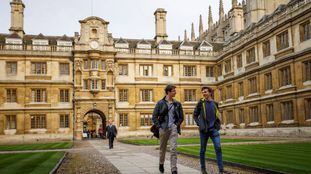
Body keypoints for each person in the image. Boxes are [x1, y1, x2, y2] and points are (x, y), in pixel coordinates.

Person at [152, 84, 184, 174]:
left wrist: (176, 124)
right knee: (162, 149)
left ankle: (174, 169)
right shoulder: (160, 103)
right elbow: (154, 117)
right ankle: (161, 163)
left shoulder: (177, 103)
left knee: (173, 149)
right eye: (174, 90)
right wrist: (159, 126)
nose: (175, 92)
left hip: (173, 129)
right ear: (168, 92)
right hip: (163, 128)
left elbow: (181, 117)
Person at [194, 87, 224, 174]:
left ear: (210, 92)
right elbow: (195, 115)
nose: (204, 93)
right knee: (202, 150)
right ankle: (203, 169)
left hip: (213, 130)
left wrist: (217, 125)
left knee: (218, 148)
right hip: (204, 131)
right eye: (202, 92)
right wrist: (200, 124)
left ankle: (221, 169)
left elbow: (217, 115)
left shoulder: (215, 103)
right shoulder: (201, 102)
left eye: (205, 92)